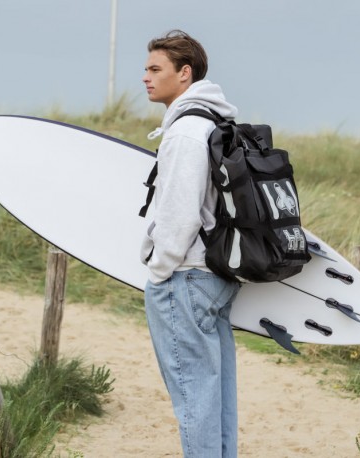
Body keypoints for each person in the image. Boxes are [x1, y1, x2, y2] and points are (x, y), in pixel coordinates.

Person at [140, 30, 241, 457]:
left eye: (154, 69)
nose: (145, 77)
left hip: (185, 278)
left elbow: (180, 216)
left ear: (185, 74)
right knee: (217, 397)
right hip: (216, 275)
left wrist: (159, 271)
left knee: (194, 400)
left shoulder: (185, 133)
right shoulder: (217, 122)